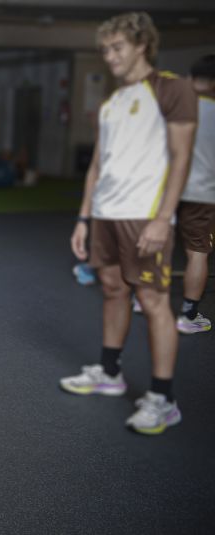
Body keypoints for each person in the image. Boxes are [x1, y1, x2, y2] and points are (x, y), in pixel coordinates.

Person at [60, 12, 198, 435]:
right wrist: (84, 217)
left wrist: (162, 218)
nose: (110, 56)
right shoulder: (111, 102)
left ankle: (162, 397)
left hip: (144, 216)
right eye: (105, 49)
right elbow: (97, 165)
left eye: (117, 47)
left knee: (154, 300)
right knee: (113, 290)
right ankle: (109, 371)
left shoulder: (172, 89)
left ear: (142, 45)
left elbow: (181, 158)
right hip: (105, 213)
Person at [175, 55, 215, 334]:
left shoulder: (173, 109)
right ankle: (188, 316)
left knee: (155, 246)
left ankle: (141, 299)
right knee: (198, 253)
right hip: (203, 194)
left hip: (165, 191)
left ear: (191, 78)